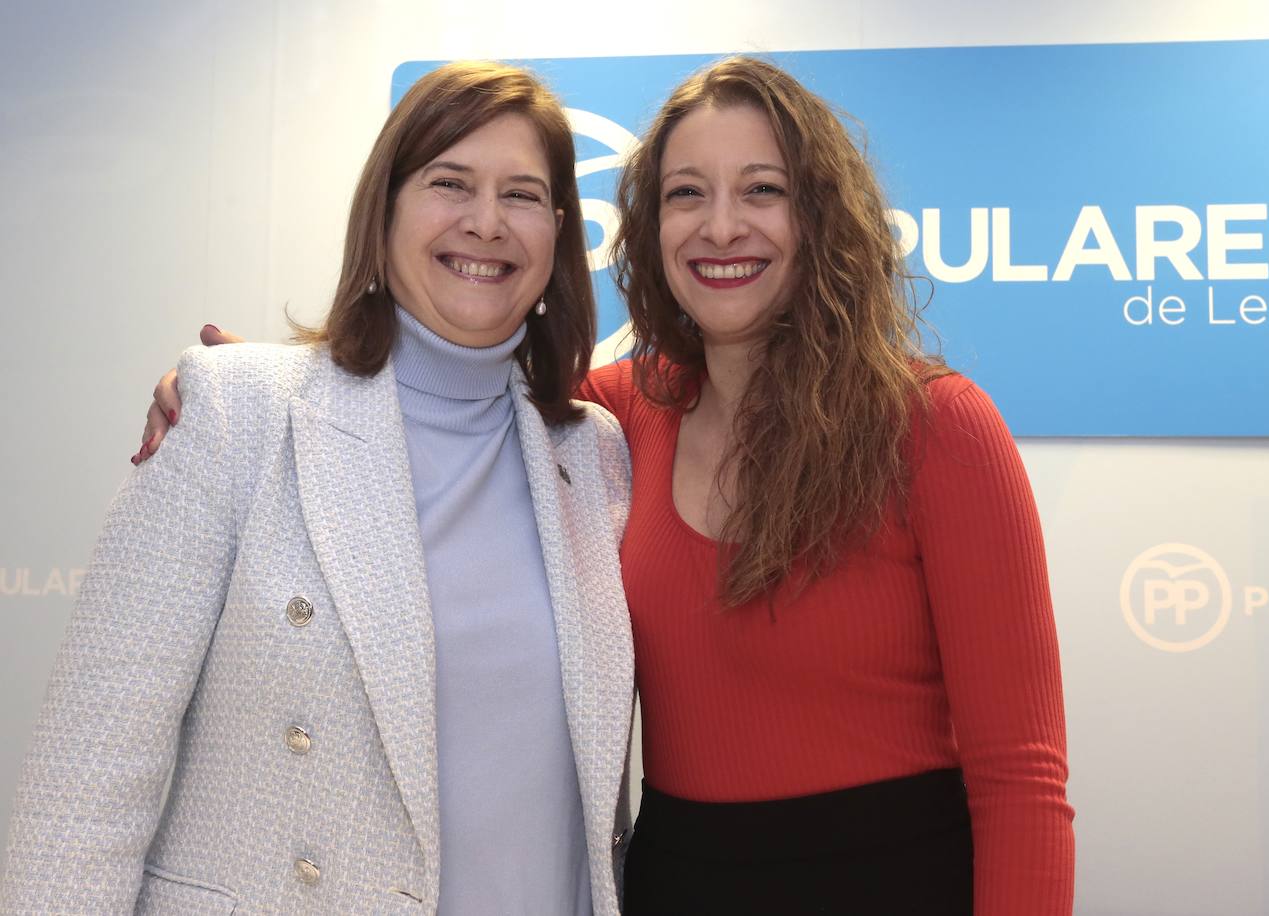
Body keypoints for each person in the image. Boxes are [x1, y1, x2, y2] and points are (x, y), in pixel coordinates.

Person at [130, 56, 1075, 915]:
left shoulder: (937, 427)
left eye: (764, 191)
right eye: (686, 194)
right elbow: (431, 377)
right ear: (650, 224)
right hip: (676, 881)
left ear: (820, 217)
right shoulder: (614, 417)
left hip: (894, 882)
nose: (721, 227)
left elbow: (1022, 779)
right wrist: (239, 387)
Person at [0, 62, 634, 916]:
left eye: (521, 195)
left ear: (559, 231)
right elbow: (88, 781)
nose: (486, 223)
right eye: (450, 183)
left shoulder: (592, 456)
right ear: (386, 209)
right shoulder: (237, 412)